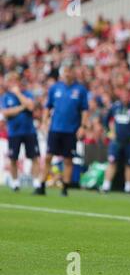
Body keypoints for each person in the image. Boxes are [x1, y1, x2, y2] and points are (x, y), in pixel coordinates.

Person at [35, 66, 89, 197]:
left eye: (70, 70)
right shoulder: (55, 88)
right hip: (55, 128)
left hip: (70, 130)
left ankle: (65, 188)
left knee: (68, 160)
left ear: (74, 72)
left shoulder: (80, 90)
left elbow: (84, 110)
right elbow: (48, 107)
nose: (67, 73)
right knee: (48, 157)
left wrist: (83, 126)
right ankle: (41, 185)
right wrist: (44, 121)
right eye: (66, 71)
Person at [1, 72, 41, 192]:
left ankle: (36, 182)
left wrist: (18, 94)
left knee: (34, 157)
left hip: (29, 131)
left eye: (15, 80)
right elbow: (6, 112)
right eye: (11, 81)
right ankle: (15, 182)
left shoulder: (27, 93)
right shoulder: (5, 97)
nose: (13, 83)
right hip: (14, 132)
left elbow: (31, 107)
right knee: (13, 158)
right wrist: (21, 107)